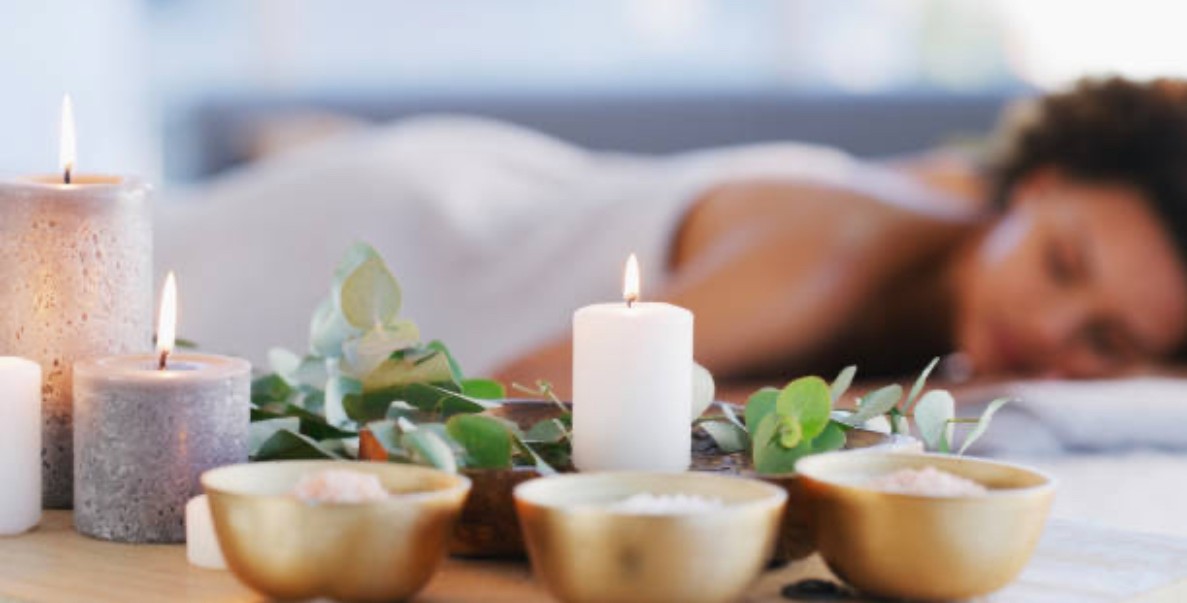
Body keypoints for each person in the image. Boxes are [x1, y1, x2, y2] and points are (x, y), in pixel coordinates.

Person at [495, 77, 1187, 397]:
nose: (1046, 328)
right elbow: (526, 395)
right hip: (457, 219)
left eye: (1106, 340)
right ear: (1037, 186)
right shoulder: (829, 258)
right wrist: (920, 403)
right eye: (1061, 264)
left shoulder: (955, 224)